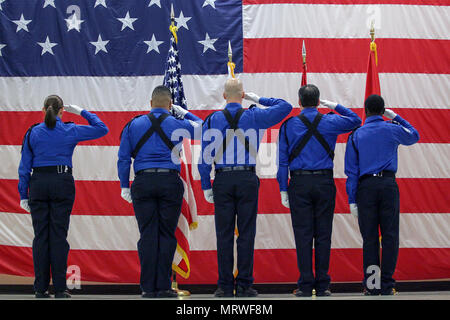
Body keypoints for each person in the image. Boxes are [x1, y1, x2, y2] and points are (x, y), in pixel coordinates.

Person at [198, 78, 292, 297]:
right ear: (242, 95)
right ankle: (244, 285)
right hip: (247, 178)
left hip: (221, 179)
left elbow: (204, 158)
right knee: (246, 233)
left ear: (223, 96)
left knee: (224, 234)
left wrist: (205, 185)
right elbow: (285, 106)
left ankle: (224, 286)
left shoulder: (212, 119)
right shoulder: (254, 115)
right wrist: (257, 98)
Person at [18, 95, 109, 298]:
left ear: (43, 110)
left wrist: (23, 194)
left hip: (38, 184)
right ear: (62, 111)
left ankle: (40, 288)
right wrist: (82, 112)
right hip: (61, 182)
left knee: (41, 237)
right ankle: (59, 288)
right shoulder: (70, 129)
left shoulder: (33, 132)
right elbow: (102, 128)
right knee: (58, 237)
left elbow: (24, 168)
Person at [117, 85, 202, 298]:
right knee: (166, 234)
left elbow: (123, 158)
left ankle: (147, 288)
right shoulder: (176, 122)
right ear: (170, 105)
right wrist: (186, 113)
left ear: (150, 103)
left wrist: (124, 186)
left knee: (147, 235)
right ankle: (164, 287)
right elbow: (203, 128)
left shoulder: (133, 125)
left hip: (143, 182)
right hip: (169, 182)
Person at [277, 84, 361, 297]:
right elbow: (355, 120)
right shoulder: (329, 121)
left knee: (303, 235)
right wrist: (335, 106)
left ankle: (305, 285)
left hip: (299, 184)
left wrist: (283, 189)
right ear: (318, 101)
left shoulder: (288, 126)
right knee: (323, 234)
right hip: (324, 183)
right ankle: (323, 285)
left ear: (299, 102)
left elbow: (283, 162)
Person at [344, 94, 419, 296]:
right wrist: (396, 117)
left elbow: (351, 172)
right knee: (390, 236)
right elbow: (414, 135)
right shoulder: (392, 129)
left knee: (369, 238)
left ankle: (372, 285)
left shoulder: (356, 135)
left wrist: (352, 199)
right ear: (383, 110)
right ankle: (387, 284)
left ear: (366, 111)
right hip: (388, 185)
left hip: (365, 188)